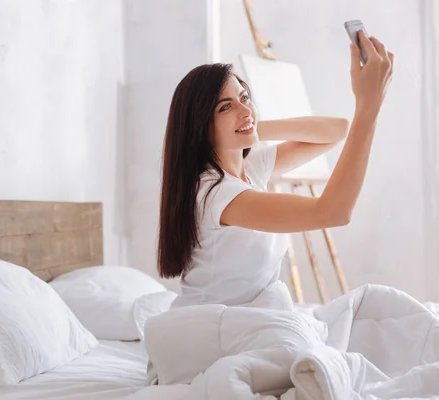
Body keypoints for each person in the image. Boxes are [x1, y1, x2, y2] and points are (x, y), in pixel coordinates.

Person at [157, 31, 394, 309]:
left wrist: (252, 127)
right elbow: (332, 212)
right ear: (200, 127)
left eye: (244, 97)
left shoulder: (250, 167)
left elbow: (336, 130)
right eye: (225, 107)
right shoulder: (215, 193)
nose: (245, 109)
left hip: (246, 321)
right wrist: (369, 106)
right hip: (211, 329)